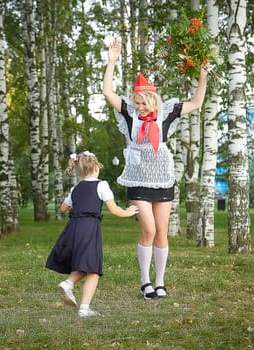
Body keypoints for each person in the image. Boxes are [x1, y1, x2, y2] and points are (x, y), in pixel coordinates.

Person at [102, 39, 209, 299]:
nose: (139, 107)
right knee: (148, 229)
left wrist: (203, 75)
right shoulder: (128, 113)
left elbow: (196, 103)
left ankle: (160, 283)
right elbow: (107, 92)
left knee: (162, 231)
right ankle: (144, 281)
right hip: (138, 177)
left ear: (152, 100)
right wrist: (111, 61)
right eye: (136, 102)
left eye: (142, 103)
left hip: (162, 177)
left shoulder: (167, 112)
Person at [46, 151, 139, 317]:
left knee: (85, 264)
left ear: (79, 171)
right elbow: (114, 210)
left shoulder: (76, 188)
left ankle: (69, 284)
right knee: (93, 270)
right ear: (96, 168)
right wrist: (128, 211)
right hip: (89, 229)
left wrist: (78, 206)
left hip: (73, 228)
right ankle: (83, 307)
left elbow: (62, 208)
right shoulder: (101, 185)